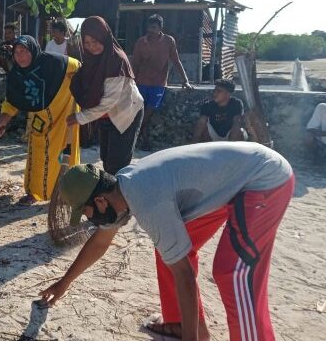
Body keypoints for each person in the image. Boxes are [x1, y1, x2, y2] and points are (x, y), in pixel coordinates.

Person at [40, 142, 294, 341]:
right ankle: (186, 325)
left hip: (264, 179)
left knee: (231, 272)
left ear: (99, 201)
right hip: (226, 184)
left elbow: (184, 275)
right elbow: (100, 243)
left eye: (85, 213)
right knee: (169, 251)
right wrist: (64, 283)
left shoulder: (147, 201)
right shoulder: (119, 189)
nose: (89, 220)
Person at [0, 35, 81, 204]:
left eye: (24, 51)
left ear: (33, 50)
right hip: (40, 119)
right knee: (37, 155)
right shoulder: (17, 74)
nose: (20, 56)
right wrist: (2, 121)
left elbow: (78, 67)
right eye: (17, 52)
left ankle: (65, 192)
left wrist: (79, 90)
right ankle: (35, 193)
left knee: (64, 156)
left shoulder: (53, 62)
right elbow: (12, 101)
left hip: (63, 116)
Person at [68, 16, 143, 174]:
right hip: (106, 116)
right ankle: (110, 195)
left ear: (104, 36)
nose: (91, 47)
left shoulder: (116, 61)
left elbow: (107, 103)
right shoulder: (93, 59)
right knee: (106, 158)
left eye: (95, 41)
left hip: (125, 113)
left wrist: (80, 118)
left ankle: (119, 196)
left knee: (117, 163)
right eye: (86, 43)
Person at [132, 14, 192, 151]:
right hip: (141, 82)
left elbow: (176, 61)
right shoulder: (141, 42)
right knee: (139, 111)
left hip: (158, 83)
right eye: (149, 27)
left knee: (150, 111)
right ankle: (141, 138)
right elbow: (134, 63)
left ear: (160, 28)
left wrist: (185, 80)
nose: (151, 30)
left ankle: (137, 134)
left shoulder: (169, 41)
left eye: (154, 27)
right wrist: (131, 81)